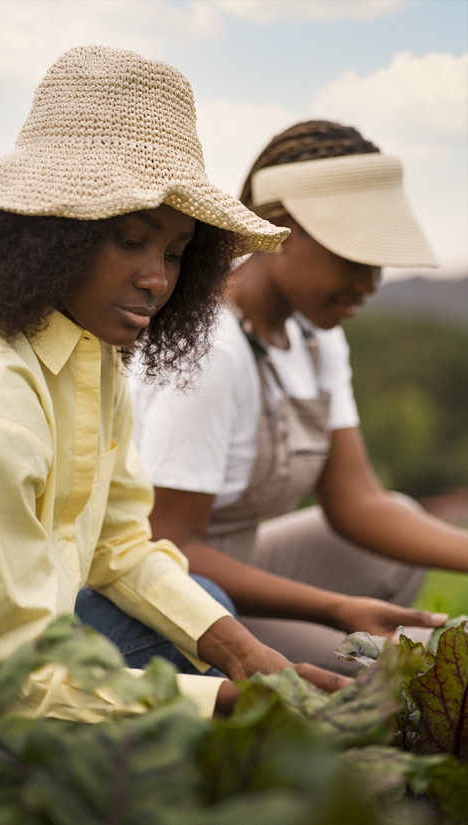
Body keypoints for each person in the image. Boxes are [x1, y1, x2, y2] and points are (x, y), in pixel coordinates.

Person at [0, 49, 353, 728]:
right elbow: (19, 680)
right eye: (129, 240)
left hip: (13, 648)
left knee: (207, 611)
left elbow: (117, 546)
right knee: (149, 733)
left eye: (176, 252)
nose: (158, 278)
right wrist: (230, 702)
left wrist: (246, 656)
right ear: (49, 231)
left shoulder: (88, 350)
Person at [131, 121, 468, 674]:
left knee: (397, 532)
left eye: (378, 263)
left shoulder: (315, 337)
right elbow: (169, 542)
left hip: (234, 567)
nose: (370, 283)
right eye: (354, 258)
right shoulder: (212, 349)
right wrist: (333, 609)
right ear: (279, 231)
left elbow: (358, 502)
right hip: (170, 593)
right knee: (406, 671)